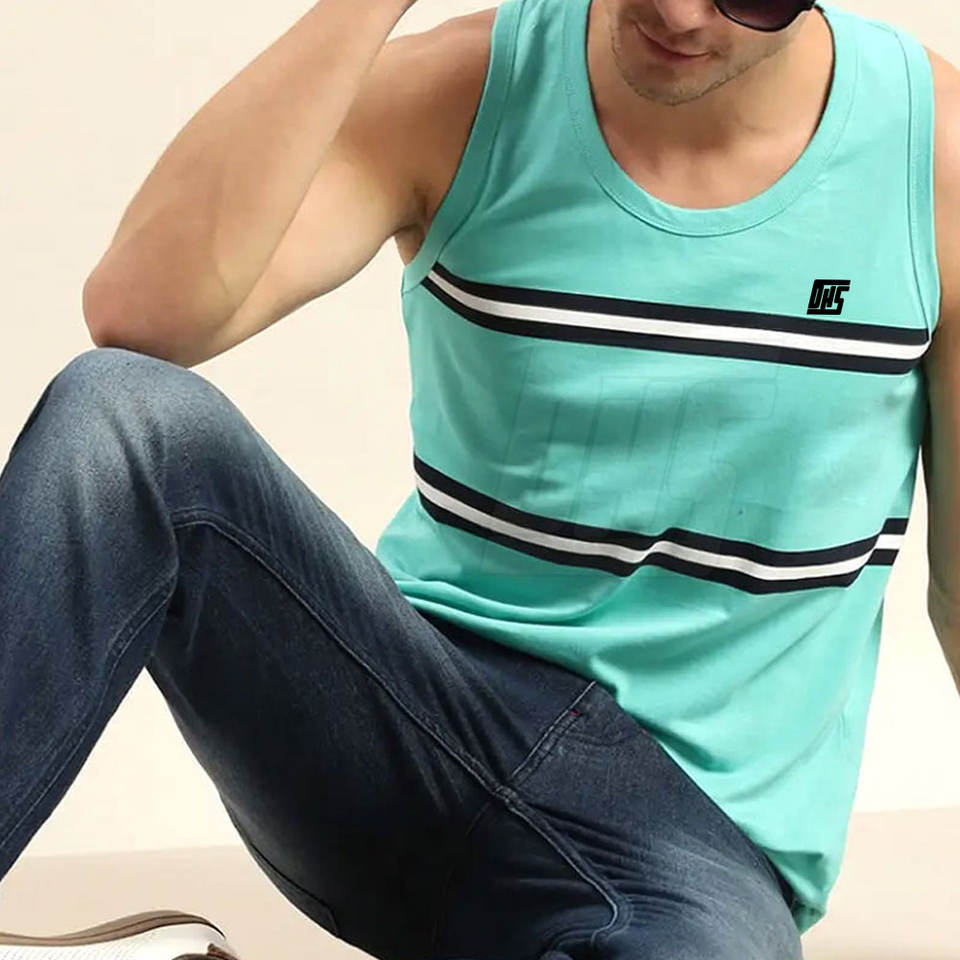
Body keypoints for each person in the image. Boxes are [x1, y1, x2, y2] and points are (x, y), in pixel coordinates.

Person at [0, 0, 955, 956]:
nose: (675, 9)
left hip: (684, 842)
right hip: (406, 724)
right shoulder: (464, 87)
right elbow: (142, 314)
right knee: (124, 418)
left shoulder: (932, 157)